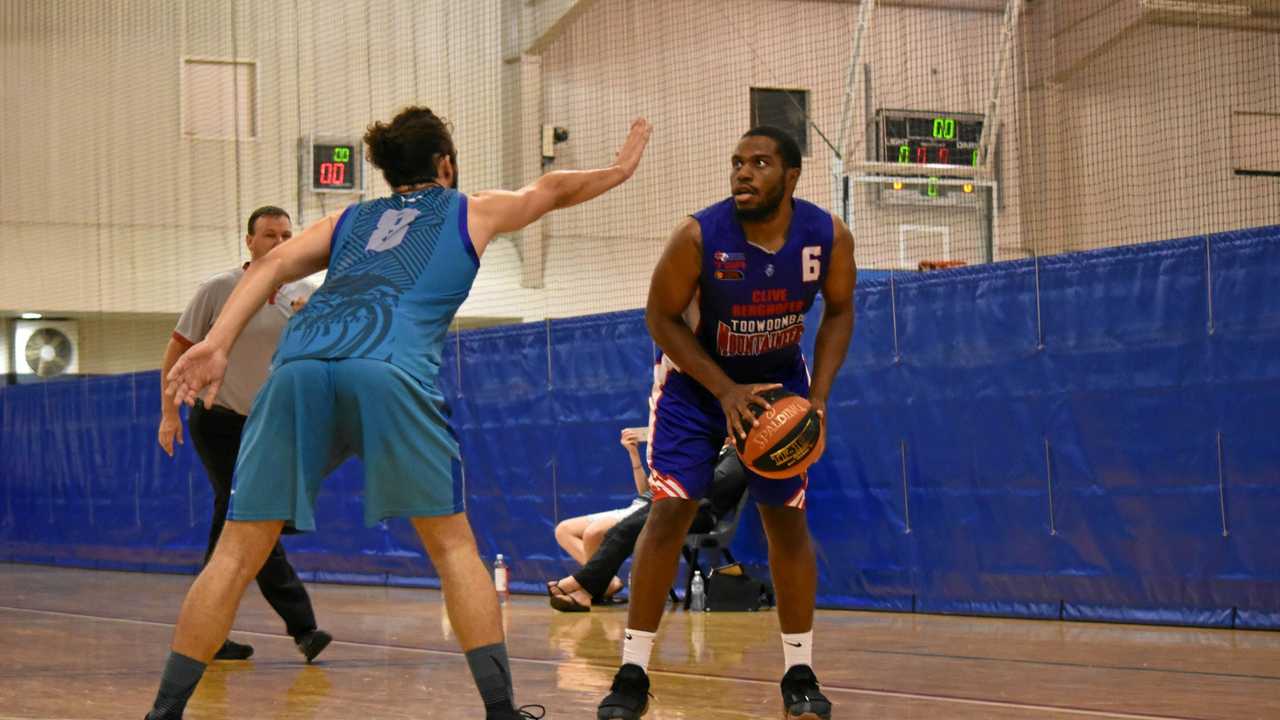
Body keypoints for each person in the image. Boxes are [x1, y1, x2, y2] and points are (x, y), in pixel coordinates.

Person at [149, 107, 652, 720]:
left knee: (233, 554)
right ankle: (500, 710)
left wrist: (218, 342)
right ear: (445, 163)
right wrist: (620, 168)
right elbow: (550, 189)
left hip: (299, 366)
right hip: (387, 367)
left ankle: (163, 713)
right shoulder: (471, 208)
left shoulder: (349, 219)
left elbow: (272, 266)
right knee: (452, 550)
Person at [596, 127, 856, 720]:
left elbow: (840, 311)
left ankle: (799, 671)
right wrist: (724, 390)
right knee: (669, 512)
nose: (743, 172)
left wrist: (816, 399)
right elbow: (660, 318)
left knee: (786, 523)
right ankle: (633, 670)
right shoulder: (699, 236)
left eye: (759, 163)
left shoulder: (828, 236)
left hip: (777, 386)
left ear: (791, 176)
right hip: (695, 385)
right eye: (737, 162)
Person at [157, 205, 330, 663]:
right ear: (249, 241)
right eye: (270, 235)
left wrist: (315, 318)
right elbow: (178, 349)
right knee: (251, 514)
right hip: (219, 419)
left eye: (287, 235)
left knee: (234, 525)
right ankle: (304, 627)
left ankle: (207, 632)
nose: (279, 242)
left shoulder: (304, 294)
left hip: (270, 423)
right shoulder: (219, 290)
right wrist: (168, 414)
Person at [547, 443, 749, 612]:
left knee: (625, 530)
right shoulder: (710, 451)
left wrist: (684, 475)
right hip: (675, 503)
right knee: (621, 529)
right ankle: (584, 593)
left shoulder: (736, 454)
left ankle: (577, 583)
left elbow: (714, 485)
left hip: (699, 512)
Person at [551, 428, 652, 601]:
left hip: (652, 510)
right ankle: (606, 582)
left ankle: (590, 588)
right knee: (564, 530)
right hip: (637, 506)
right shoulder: (660, 458)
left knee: (594, 532)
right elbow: (645, 492)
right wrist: (633, 453)